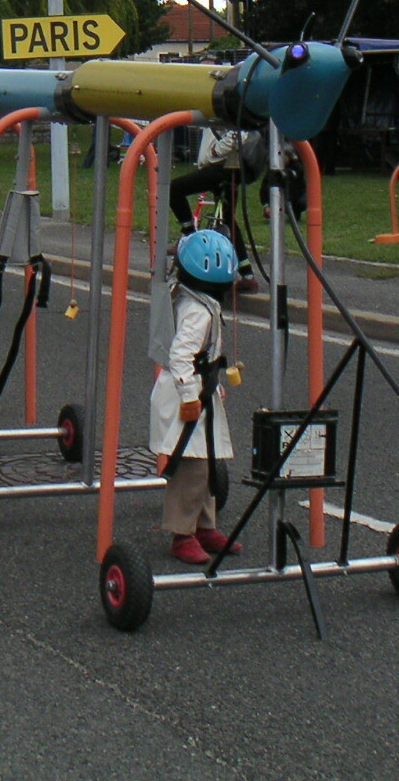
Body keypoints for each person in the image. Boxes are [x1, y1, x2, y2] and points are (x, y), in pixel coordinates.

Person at [150, 229, 240, 565]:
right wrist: (191, 396)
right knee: (192, 467)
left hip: (197, 390)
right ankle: (182, 533)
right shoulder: (197, 311)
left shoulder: (195, 301)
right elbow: (181, 356)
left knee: (206, 461)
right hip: (184, 396)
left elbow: (201, 356)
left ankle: (204, 526)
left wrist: (210, 385)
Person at [167, 127, 264, 293]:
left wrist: (215, 151)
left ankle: (188, 236)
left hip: (220, 169)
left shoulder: (223, 114)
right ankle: (247, 276)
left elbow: (238, 134)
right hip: (229, 171)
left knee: (175, 189)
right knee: (229, 221)